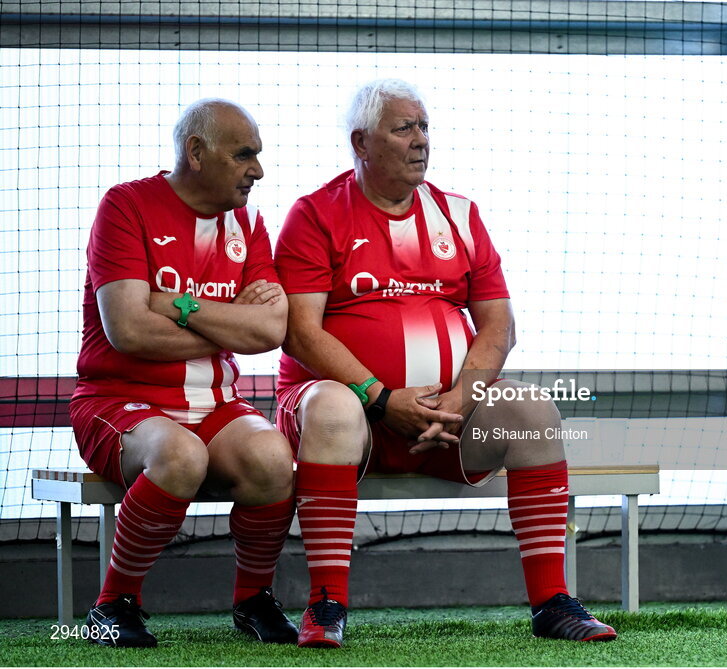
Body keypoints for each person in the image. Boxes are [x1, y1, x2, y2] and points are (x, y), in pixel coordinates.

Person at [274, 79, 617, 648]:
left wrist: (460, 399)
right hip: (348, 421)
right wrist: (382, 398)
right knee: (334, 407)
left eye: (424, 127)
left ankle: (552, 603)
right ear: (361, 142)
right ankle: (325, 605)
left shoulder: (459, 214)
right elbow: (300, 333)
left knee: (531, 409)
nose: (420, 141)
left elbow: (499, 327)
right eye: (403, 128)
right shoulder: (316, 214)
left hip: (448, 419)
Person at [71, 99, 298, 648]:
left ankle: (253, 602)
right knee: (180, 455)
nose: (258, 171)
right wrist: (230, 322)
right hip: (116, 401)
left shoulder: (247, 222)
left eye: (258, 156)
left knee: (274, 458)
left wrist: (181, 305)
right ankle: (111, 604)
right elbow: (128, 330)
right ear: (196, 153)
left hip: (216, 405)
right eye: (244, 155)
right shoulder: (127, 206)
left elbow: (269, 331)